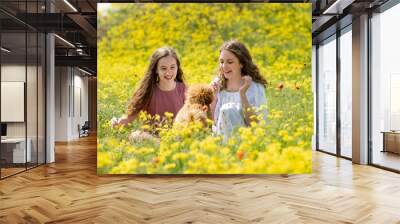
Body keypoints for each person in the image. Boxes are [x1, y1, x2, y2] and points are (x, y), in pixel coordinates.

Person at [112, 47, 186, 128]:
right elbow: (129, 118)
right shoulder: (148, 91)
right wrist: (117, 122)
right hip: (151, 137)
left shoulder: (185, 90)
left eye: (172, 67)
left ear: (177, 67)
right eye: (163, 68)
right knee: (136, 135)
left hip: (178, 136)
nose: (168, 72)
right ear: (156, 70)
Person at [210, 40, 268, 139]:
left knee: (229, 109)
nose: (224, 66)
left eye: (230, 62)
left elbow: (258, 127)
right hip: (219, 140)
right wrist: (214, 98)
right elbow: (211, 122)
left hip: (246, 141)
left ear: (241, 63)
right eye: (222, 62)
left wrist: (242, 94)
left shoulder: (255, 88)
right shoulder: (217, 85)